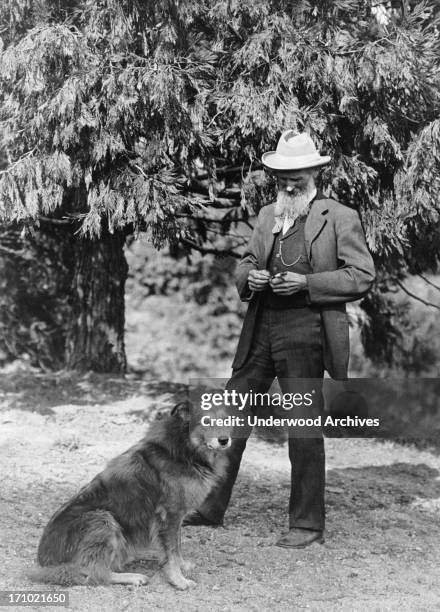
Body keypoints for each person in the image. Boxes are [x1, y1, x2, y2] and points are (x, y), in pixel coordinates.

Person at [185, 130, 376, 548]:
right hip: (260, 330)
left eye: (298, 174)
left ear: (314, 172)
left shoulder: (340, 216)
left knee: (303, 428)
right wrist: (248, 278)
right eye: (282, 176)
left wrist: (307, 283)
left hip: (307, 333)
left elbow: (361, 275)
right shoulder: (270, 214)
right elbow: (248, 261)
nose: (290, 183)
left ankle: (306, 524)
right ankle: (207, 507)